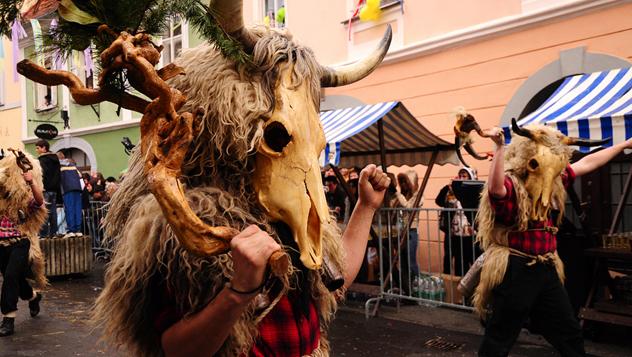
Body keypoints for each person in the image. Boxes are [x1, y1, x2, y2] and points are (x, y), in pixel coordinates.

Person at [475, 124, 632, 357]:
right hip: (516, 269)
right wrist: (499, 147)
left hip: (546, 267)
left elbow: (588, 163)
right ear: (527, 159)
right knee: (500, 336)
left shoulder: (554, 177)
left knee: (568, 331)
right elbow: (496, 190)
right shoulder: (513, 184)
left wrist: (624, 145)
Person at [0, 150, 47, 337]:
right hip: (0, 245)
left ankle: (8, 319)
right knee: (16, 280)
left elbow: (39, 201)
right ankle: (34, 297)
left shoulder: (22, 199)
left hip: (19, 242)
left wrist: (31, 181)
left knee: (10, 277)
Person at [436, 167, 479, 276]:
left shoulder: (476, 191)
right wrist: (448, 186)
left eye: (464, 176)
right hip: (455, 234)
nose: (461, 178)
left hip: (471, 235)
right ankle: (459, 290)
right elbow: (439, 201)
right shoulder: (453, 191)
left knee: (474, 264)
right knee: (460, 266)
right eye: (460, 176)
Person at [392, 170, 422, 282]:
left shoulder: (418, 195)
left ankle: (417, 283)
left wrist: (397, 194)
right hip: (400, 231)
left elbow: (408, 207)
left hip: (411, 231)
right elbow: (392, 207)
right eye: (402, 182)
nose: (403, 185)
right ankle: (406, 286)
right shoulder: (402, 195)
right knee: (403, 261)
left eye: (406, 182)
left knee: (411, 261)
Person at [35, 139, 61, 238]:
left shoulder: (42, 160)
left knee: (43, 211)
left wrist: (41, 186)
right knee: (53, 211)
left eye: (38, 148)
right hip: (54, 189)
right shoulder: (55, 159)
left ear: (44, 148)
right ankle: (54, 232)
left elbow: (42, 175)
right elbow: (58, 175)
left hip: (45, 189)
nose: (37, 150)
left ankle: (43, 234)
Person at [57, 151, 83, 238]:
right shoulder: (72, 165)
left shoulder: (59, 166)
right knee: (77, 209)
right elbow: (80, 177)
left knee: (69, 209)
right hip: (77, 188)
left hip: (67, 189)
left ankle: (71, 230)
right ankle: (78, 230)